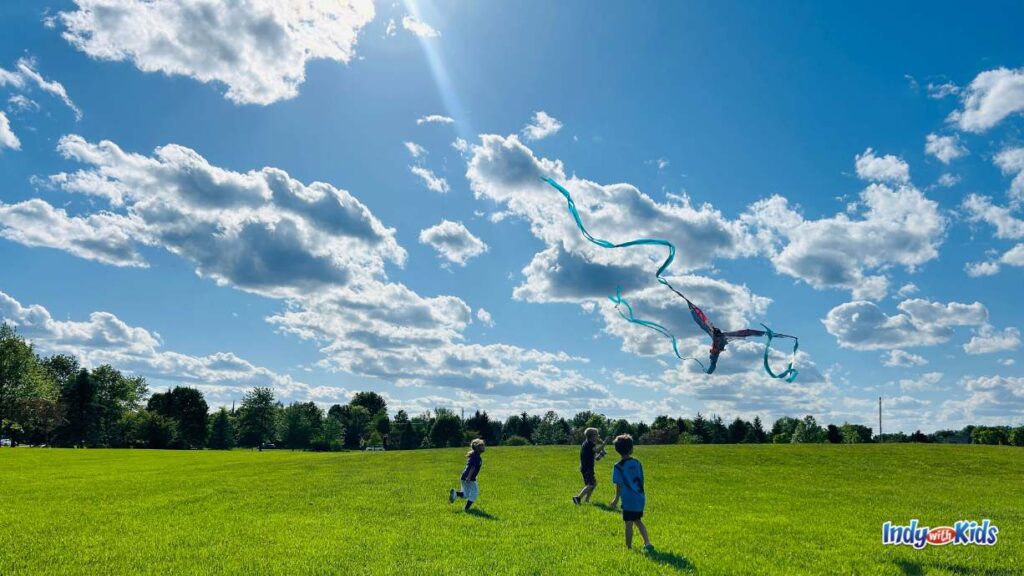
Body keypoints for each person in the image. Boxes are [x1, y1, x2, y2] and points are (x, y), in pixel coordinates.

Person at [609, 434, 652, 551]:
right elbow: (641, 479)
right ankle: (647, 543)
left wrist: (616, 499)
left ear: (617, 450)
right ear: (631, 449)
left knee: (628, 523)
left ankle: (628, 547)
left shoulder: (618, 466)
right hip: (640, 497)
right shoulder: (637, 463)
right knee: (638, 521)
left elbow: (618, 484)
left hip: (628, 499)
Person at [449, 439, 485, 511]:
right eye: (482, 446)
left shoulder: (475, 455)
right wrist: (469, 477)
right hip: (469, 478)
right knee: (475, 493)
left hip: (464, 477)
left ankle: (455, 493)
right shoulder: (477, 457)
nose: (484, 447)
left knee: (465, 495)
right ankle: (467, 509)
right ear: (478, 448)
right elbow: (472, 468)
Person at [572, 427, 602, 505]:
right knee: (591, 484)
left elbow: (596, 457)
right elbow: (597, 450)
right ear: (592, 436)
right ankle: (578, 498)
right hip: (587, 468)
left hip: (586, 467)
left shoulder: (587, 443)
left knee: (593, 484)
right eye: (597, 435)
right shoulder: (589, 443)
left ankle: (586, 500)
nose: (598, 436)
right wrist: (605, 443)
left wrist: (601, 455)